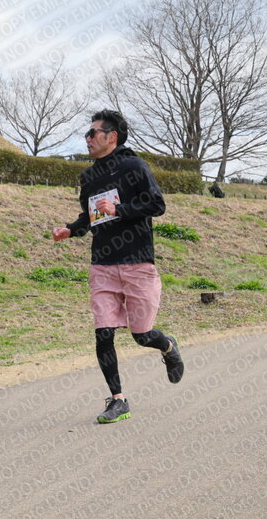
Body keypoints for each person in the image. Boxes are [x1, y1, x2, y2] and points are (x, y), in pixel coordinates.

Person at [53, 110, 183, 424]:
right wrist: (71, 230)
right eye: (87, 134)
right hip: (103, 264)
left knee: (142, 335)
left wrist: (119, 209)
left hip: (137, 261)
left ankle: (167, 346)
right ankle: (118, 400)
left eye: (92, 133)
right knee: (103, 333)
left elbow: (157, 204)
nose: (87, 138)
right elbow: (89, 216)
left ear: (111, 136)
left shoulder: (134, 166)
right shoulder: (89, 176)